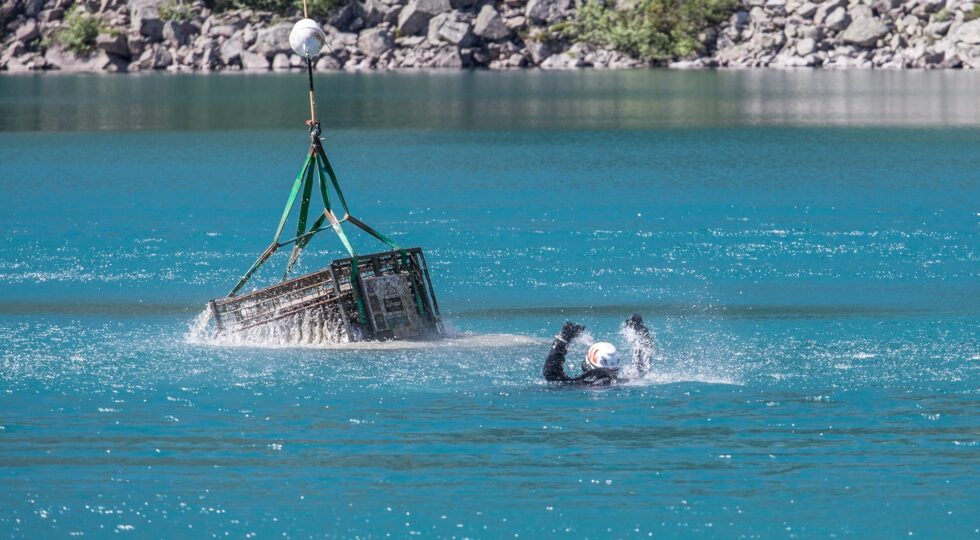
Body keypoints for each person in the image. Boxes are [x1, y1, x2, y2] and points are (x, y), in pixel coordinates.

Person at [543, 314, 653, 386]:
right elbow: (643, 364)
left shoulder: (585, 385)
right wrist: (640, 331)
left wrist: (563, 339)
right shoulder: (630, 381)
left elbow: (551, 375)